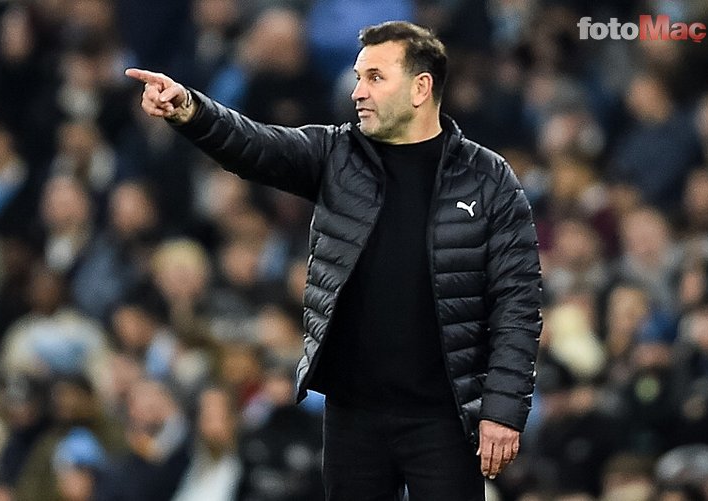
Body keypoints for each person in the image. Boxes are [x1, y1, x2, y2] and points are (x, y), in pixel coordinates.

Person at [126, 20, 542, 501]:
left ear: (420, 88)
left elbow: (518, 301)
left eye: (375, 77)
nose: (357, 91)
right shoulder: (337, 154)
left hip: (445, 415)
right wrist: (190, 109)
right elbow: (254, 145)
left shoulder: (488, 178)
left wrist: (502, 410)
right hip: (353, 412)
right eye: (358, 77)